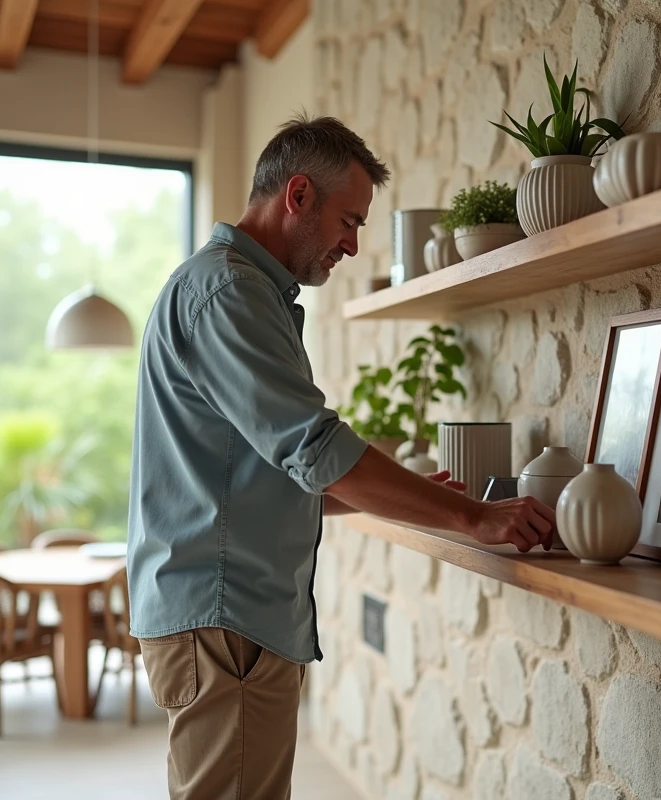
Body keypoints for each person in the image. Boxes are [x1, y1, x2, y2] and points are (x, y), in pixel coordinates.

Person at [126, 114, 555, 800]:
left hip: (228, 616)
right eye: (349, 221)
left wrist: (404, 493)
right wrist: (473, 518)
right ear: (298, 196)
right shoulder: (229, 293)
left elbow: (259, 473)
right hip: (224, 618)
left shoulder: (242, 291)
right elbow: (314, 445)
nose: (352, 246)